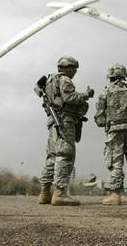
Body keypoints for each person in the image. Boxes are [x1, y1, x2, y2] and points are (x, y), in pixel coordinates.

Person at [36, 56, 94, 206]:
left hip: (53, 122)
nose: (75, 72)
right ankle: (59, 193)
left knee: (52, 157)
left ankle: (44, 193)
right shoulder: (64, 80)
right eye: (74, 68)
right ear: (67, 68)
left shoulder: (49, 81)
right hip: (64, 121)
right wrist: (86, 95)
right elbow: (70, 97)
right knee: (65, 154)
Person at [94, 64, 127, 205]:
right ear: (124, 74)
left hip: (115, 131)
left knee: (115, 162)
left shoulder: (106, 92)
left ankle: (115, 195)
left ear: (110, 76)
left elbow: (99, 119)